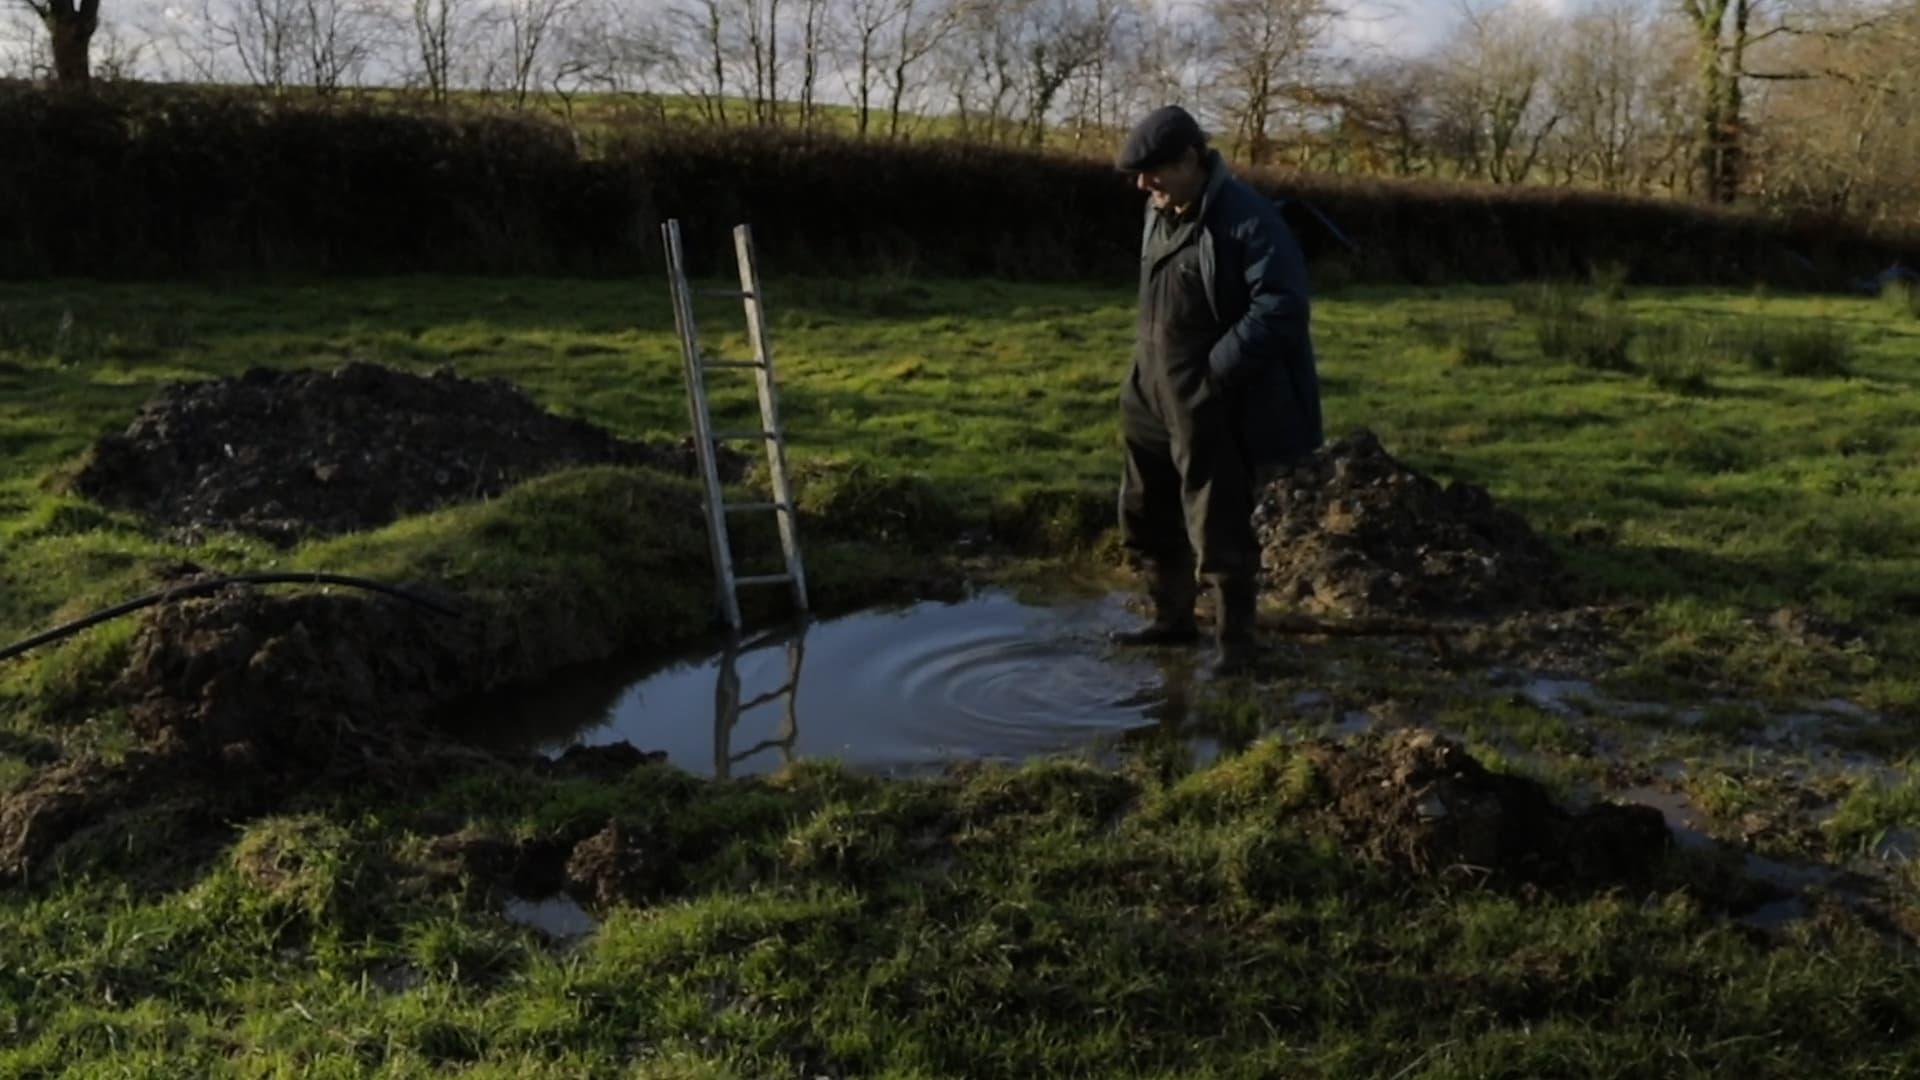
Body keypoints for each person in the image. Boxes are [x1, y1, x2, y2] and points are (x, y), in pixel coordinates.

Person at [1109, 105, 1324, 676]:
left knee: (1217, 522)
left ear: (1190, 160)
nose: (1142, 184)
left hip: (1210, 399)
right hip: (1150, 392)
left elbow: (1282, 307)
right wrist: (1142, 382)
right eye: (1138, 174)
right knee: (1147, 511)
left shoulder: (1248, 219)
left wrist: (1215, 372)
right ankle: (1172, 622)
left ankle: (1236, 652)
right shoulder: (1161, 210)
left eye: (1153, 171)